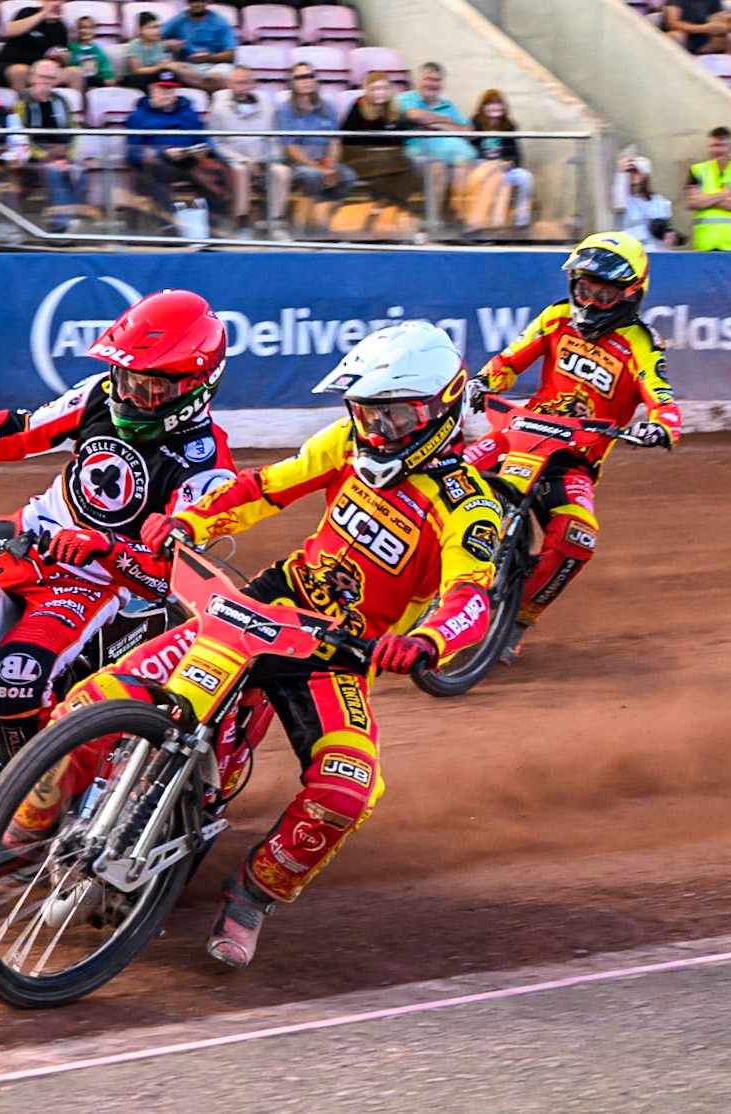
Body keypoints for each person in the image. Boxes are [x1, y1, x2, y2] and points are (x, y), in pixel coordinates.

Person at [69, 322, 499, 968]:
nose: (377, 430)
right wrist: (189, 521)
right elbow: (265, 487)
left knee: (348, 788)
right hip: (263, 608)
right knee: (95, 700)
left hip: (335, 656)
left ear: (439, 410)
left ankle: (250, 897)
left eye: (394, 415)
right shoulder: (344, 444)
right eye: (366, 413)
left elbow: (471, 596)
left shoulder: (469, 507)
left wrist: (427, 642)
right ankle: (16, 836)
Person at [0, 290, 238, 860]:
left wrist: (104, 547)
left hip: (99, 584)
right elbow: (17, 432)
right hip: (22, 541)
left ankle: (31, 812)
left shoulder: (209, 468)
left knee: (12, 679)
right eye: (125, 377)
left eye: (150, 386)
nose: (130, 394)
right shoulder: (100, 395)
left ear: (196, 385)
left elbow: (169, 575)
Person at [465, 232, 681, 657]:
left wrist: (662, 427)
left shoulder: (641, 343)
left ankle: (515, 621)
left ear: (631, 294)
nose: (590, 303)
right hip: (519, 434)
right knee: (451, 476)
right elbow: (510, 360)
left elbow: (662, 397)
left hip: (573, 461)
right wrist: (483, 381)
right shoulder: (556, 317)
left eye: (604, 295)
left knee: (576, 540)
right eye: (584, 290)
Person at [126, 70, 230, 231]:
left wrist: (203, 149)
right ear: (152, 90)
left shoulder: (188, 112)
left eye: (171, 90)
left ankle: (213, 226)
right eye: (163, 90)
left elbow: (202, 138)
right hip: (159, 166)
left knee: (217, 170)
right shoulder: (139, 117)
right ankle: (170, 228)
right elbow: (132, 153)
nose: (168, 94)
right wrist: (162, 153)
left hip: (189, 161)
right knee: (154, 173)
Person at [273, 62, 356, 236]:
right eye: (300, 77)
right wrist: (318, 168)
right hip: (297, 163)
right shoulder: (285, 110)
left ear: (315, 80)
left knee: (348, 177)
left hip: (324, 162)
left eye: (309, 76)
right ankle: (305, 223)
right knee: (312, 176)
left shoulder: (327, 107)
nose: (305, 80)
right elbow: (290, 148)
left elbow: (334, 141)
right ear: (292, 82)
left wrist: (331, 165)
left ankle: (324, 220)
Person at [397, 62, 474, 231]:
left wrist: (434, 124)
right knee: (438, 166)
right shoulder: (407, 98)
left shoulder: (448, 105)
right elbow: (414, 115)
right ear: (418, 80)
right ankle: (434, 223)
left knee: (471, 167)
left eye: (436, 80)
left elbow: (468, 131)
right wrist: (446, 121)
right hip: (418, 155)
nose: (432, 84)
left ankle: (460, 221)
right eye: (428, 79)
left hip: (458, 158)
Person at [206, 65, 279, 237]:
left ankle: (276, 223)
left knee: (282, 172)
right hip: (232, 160)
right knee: (241, 170)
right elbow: (216, 142)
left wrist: (266, 159)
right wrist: (242, 160)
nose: (241, 87)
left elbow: (274, 140)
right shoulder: (218, 109)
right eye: (237, 83)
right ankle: (242, 222)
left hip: (262, 159)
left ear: (252, 84)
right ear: (229, 84)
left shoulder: (267, 109)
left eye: (245, 83)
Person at [15, 57, 86, 231]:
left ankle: (69, 221)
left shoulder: (61, 101)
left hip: (62, 157)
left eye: (51, 78)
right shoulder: (21, 103)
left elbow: (74, 130)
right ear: (32, 78)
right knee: (54, 172)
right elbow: (20, 136)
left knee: (79, 173)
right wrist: (44, 156)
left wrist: (68, 157)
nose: (47, 82)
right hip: (33, 159)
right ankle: (61, 226)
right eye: (43, 77)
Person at [339, 69, 415, 210]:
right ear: (368, 91)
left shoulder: (393, 111)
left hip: (388, 159)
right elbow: (350, 140)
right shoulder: (358, 107)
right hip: (357, 158)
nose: (380, 93)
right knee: (385, 166)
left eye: (383, 88)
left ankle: (396, 209)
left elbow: (399, 139)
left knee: (405, 166)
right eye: (375, 89)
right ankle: (385, 207)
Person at [463, 88, 533, 231]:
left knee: (526, 177)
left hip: (504, 166)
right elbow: (471, 150)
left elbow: (515, 153)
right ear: (483, 107)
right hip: (481, 165)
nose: (494, 107)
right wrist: (492, 163)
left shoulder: (509, 125)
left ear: (503, 106)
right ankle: (495, 223)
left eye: (498, 103)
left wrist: (510, 163)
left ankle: (521, 220)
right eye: (490, 104)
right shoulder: (475, 123)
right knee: (500, 179)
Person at [686, 125, 731, 251]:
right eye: (713, 145)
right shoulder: (698, 170)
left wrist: (705, 200)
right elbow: (693, 202)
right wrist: (724, 194)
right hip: (706, 246)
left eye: (722, 145)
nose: (717, 150)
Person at [0, 0, 78, 93]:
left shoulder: (61, 27)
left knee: (75, 73)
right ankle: (22, 102)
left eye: (60, 1)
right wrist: (43, 14)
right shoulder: (27, 12)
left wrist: (61, 55)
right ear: (44, 2)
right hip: (11, 64)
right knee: (21, 71)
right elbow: (9, 31)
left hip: (43, 69)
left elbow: (62, 52)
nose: (57, 4)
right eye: (53, 1)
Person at [160, 0, 236, 91]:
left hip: (216, 64)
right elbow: (154, 38)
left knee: (215, 78)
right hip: (188, 66)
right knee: (169, 67)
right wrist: (168, 45)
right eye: (193, 1)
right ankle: (208, 88)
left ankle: (201, 87)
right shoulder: (179, 19)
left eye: (200, 1)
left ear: (206, 2)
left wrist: (208, 58)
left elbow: (231, 55)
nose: (196, 5)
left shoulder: (220, 21)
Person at [611, 152, 676, 250]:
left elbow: (665, 228)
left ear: (644, 175)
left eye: (636, 171)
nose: (632, 175)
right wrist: (621, 174)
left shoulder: (658, 201)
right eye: (630, 172)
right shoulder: (626, 201)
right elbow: (619, 201)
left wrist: (670, 236)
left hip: (655, 252)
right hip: (632, 253)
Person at [119, 12, 180, 91]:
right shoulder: (134, 45)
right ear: (140, 29)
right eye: (151, 28)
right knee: (162, 75)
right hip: (140, 77)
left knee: (171, 72)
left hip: (158, 75)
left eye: (157, 27)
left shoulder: (159, 43)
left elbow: (170, 48)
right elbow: (136, 70)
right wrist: (157, 68)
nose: (156, 31)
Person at [65, 15, 113, 89]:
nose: (85, 31)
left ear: (94, 31)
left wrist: (108, 78)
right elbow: (67, 65)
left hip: (95, 82)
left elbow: (105, 68)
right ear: (76, 30)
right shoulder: (70, 48)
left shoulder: (98, 51)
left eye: (90, 28)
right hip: (76, 80)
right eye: (82, 27)